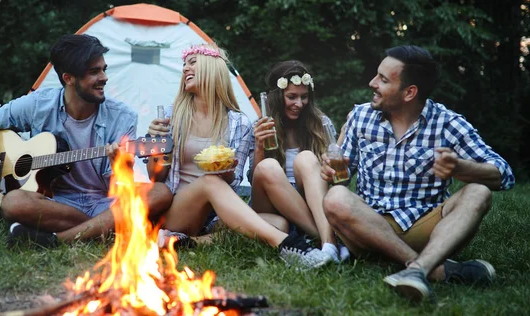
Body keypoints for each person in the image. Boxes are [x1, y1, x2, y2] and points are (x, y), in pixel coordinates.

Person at [321, 45, 515, 301]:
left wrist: (462, 168)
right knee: (335, 197)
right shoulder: (361, 116)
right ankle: (424, 268)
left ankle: (417, 267)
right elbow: (342, 177)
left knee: (478, 191)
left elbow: (505, 175)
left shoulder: (447, 122)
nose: (372, 83)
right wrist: (333, 171)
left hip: (426, 228)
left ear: (409, 92)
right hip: (369, 229)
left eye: (383, 79)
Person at [0, 34, 172, 248]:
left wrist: (122, 165)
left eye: (104, 69)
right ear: (68, 78)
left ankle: (55, 240)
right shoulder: (39, 104)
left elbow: (124, 184)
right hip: (55, 202)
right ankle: (106, 229)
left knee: (160, 193)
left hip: (103, 202)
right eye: (94, 72)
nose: (104, 77)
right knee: (12, 202)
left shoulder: (122, 116)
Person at [146, 44, 332, 269]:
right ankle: (288, 246)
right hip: (178, 211)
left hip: (216, 218)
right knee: (209, 182)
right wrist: (157, 147)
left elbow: (233, 182)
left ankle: (190, 243)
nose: (185, 69)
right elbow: (156, 178)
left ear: (211, 68)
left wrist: (226, 171)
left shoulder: (238, 123)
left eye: (192, 62)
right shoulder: (170, 116)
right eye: (184, 64)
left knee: (278, 223)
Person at [249, 60, 349, 263]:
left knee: (306, 158)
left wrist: (332, 165)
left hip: (308, 201)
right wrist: (259, 146)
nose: (299, 104)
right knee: (268, 166)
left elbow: (336, 181)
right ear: (277, 97)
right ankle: (332, 239)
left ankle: (328, 247)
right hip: (270, 203)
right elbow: (253, 179)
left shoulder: (320, 124)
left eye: (304, 97)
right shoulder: (263, 125)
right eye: (292, 97)